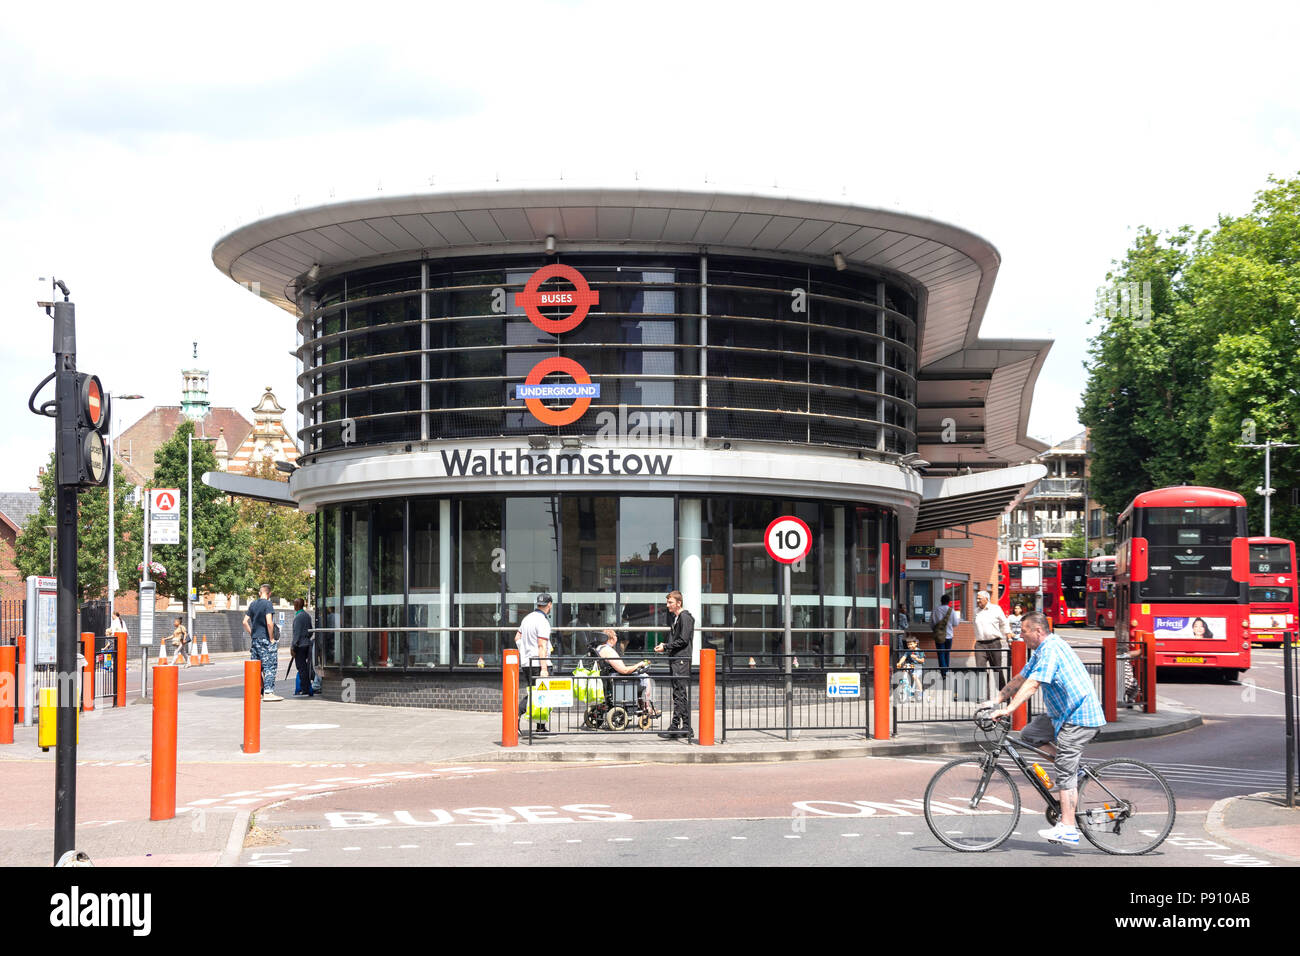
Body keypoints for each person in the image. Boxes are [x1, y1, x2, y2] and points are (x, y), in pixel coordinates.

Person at [987, 610, 1106, 847]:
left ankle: (1069, 828)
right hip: (1061, 714)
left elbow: (1033, 684)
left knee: (1063, 769)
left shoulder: (1051, 649)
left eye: (1024, 631)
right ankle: (1077, 772)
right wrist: (994, 701)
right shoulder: (1041, 651)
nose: (1021, 637)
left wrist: (1008, 710)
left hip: (1079, 716)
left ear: (1038, 631)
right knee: (1029, 734)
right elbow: (1021, 678)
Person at [595, 628, 660, 718]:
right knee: (645, 677)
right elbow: (624, 670)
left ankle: (642, 706)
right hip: (618, 680)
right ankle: (647, 708)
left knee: (639, 675)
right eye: (615, 636)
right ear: (612, 638)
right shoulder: (609, 651)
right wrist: (638, 665)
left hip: (610, 678)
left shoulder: (599, 648)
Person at [656, 590, 694, 739]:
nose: (667, 605)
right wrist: (666, 646)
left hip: (681, 659)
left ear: (679, 603)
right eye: (667, 602)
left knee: (679, 693)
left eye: (670, 602)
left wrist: (666, 646)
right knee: (679, 693)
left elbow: (683, 640)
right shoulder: (678, 617)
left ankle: (675, 726)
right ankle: (686, 727)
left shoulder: (685, 617)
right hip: (677, 659)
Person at [515, 594, 553, 734]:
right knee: (537, 694)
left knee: (538, 693)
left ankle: (540, 727)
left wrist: (525, 651)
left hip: (527, 662)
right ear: (549, 604)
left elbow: (517, 637)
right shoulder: (543, 621)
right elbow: (541, 646)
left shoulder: (527, 618)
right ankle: (516, 715)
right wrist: (544, 668)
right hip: (539, 663)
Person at [243, 584, 280, 701]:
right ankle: (268, 692)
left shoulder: (253, 604)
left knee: (256, 667)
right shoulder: (268, 604)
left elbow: (244, 622)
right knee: (270, 665)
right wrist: (272, 638)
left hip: (255, 640)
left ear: (260, 593)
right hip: (265, 639)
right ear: (269, 594)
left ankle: (258, 691)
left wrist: (252, 634)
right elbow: (269, 623)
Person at [972, 589, 1013, 692]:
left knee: (997, 668)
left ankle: (1003, 692)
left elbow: (1004, 622)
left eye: (979, 598)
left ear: (986, 599)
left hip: (994, 642)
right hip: (980, 644)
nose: (977, 600)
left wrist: (1008, 634)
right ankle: (983, 693)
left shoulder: (996, 609)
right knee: (980, 669)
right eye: (977, 598)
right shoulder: (976, 611)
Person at [929, 594, 959, 676]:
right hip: (949, 635)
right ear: (949, 601)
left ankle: (943, 671)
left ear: (941, 601)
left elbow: (931, 623)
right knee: (947, 653)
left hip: (938, 635)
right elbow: (956, 623)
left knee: (940, 653)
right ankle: (946, 670)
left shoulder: (935, 610)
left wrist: (935, 630)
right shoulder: (951, 611)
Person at [291, 598, 315, 697]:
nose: (293, 606)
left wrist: (293, 647)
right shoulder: (307, 615)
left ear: (297, 605)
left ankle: (305, 688)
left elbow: (296, 634)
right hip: (307, 644)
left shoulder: (298, 617)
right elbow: (311, 630)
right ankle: (307, 687)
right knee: (305, 667)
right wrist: (306, 638)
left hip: (299, 645)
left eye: (294, 604)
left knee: (301, 667)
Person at [896, 636, 924, 701]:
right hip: (911, 665)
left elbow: (922, 660)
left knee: (915, 677)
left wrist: (916, 658)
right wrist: (899, 663)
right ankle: (905, 683)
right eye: (908, 644)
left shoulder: (920, 651)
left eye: (911, 644)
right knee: (905, 667)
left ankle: (920, 692)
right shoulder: (908, 651)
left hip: (918, 666)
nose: (909, 646)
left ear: (915, 643)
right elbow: (903, 657)